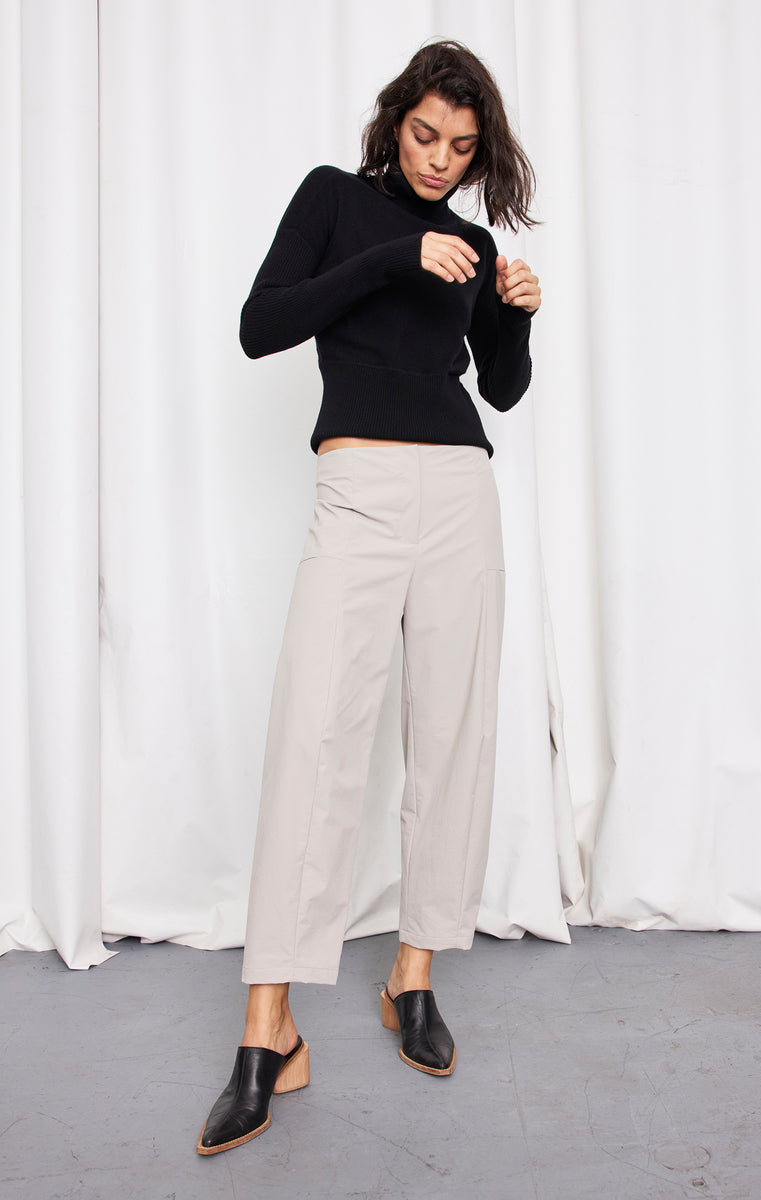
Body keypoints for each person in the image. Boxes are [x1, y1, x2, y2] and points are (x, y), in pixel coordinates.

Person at [197, 39, 542, 1155]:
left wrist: (517, 311)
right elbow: (264, 325)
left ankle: (413, 976)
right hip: (356, 483)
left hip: (458, 487)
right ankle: (268, 1031)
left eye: (461, 147)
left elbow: (499, 386)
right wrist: (398, 259)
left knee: (451, 734)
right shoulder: (335, 202)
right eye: (425, 136)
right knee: (315, 737)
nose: (441, 160)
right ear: (395, 121)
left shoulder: (475, 241)